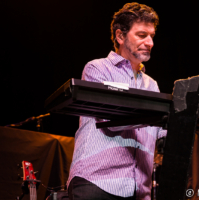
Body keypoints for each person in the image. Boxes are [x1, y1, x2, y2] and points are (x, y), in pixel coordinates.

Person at [67, 3, 166, 200]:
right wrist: (160, 114)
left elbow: (162, 133)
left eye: (152, 36)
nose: (150, 42)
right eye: (141, 35)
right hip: (97, 183)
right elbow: (110, 119)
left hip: (139, 191)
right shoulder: (98, 69)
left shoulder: (152, 85)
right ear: (120, 36)